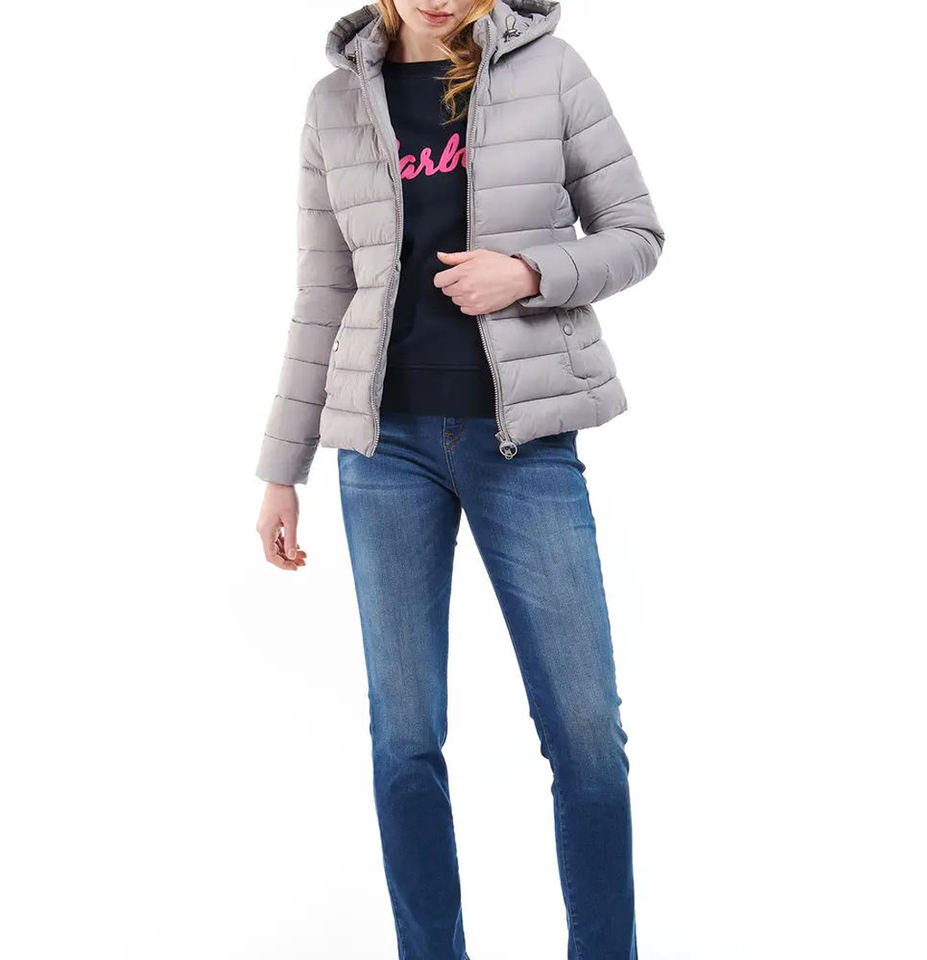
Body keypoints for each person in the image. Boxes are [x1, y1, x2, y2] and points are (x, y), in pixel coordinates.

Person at [254, 1, 665, 957]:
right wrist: (282, 468)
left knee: (586, 737)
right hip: (382, 449)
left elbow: (636, 232)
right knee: (403, 739)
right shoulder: (333, 103)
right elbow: (323, 292)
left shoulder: (551, 70)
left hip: (524, 443)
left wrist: (528, 272)